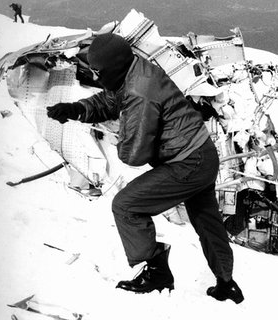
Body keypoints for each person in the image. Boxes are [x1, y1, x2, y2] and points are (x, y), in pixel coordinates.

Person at [46, 33, 244, 303]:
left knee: (127, 205)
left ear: (112, 69)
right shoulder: (133, 68)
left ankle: (156, 270)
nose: (94, 76)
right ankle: (226, 283)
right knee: (206, 221)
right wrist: (77, 109)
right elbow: (113, 99)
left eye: (97, 71)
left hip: (187, 162)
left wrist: (117, 133)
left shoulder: (141, 93)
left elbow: (134, 153)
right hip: (202, 154)